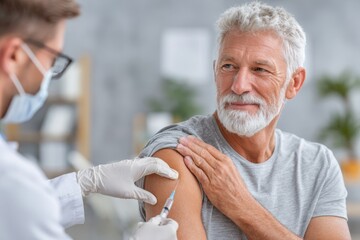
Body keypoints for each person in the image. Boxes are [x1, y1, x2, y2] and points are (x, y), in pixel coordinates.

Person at [136, 2, 351, 239]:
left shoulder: (317, 165)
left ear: (294, 82)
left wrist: (243, 208)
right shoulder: (178, 155)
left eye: (260, 69)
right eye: (229, 66)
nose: (239, 86)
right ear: (215, 70)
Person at [0, 0, 178, 239]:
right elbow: (19, 204)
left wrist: (84, 182)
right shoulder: (10, 178)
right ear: (14, 56)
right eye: (52, 60)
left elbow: (15, 209)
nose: (49, 74)